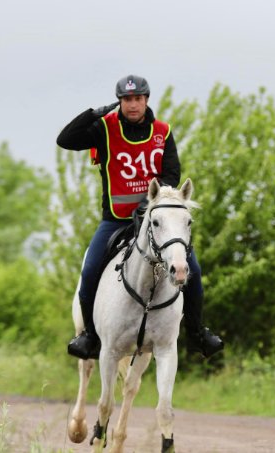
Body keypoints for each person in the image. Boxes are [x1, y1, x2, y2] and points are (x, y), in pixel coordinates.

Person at [57, 74, 224, 359]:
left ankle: (197, 333)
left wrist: (151, 205)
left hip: (155, 217)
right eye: (126, 100)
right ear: (119, 102)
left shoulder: (162, 131)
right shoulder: (104, 129)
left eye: (137, 99)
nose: (132, 105)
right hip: (116, 220)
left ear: (146, 100)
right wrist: (94, 113)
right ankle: (90, 337)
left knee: (192, 270)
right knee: (90, 271)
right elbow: (66, 140)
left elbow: (172, 173)